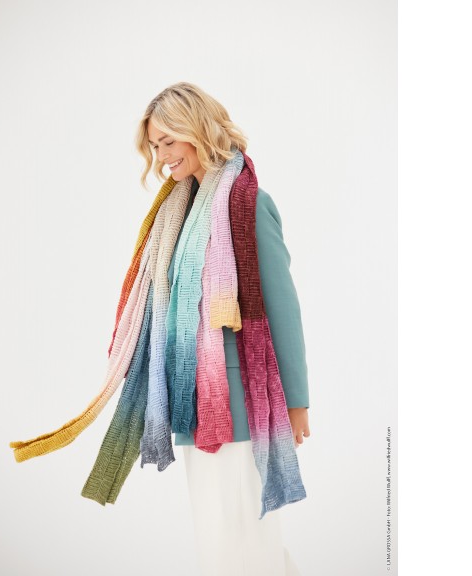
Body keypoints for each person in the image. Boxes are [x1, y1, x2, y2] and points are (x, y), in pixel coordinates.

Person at [140, 82, 311, 576]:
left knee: (241, 543)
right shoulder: (181, 213)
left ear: (197, 130)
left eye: (168, 141)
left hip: (240, 401)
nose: (161, 157)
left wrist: (297, 401)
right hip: (193, 401)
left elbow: (282, 306)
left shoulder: (248, 204)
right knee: (223, 543)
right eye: (154, 146)